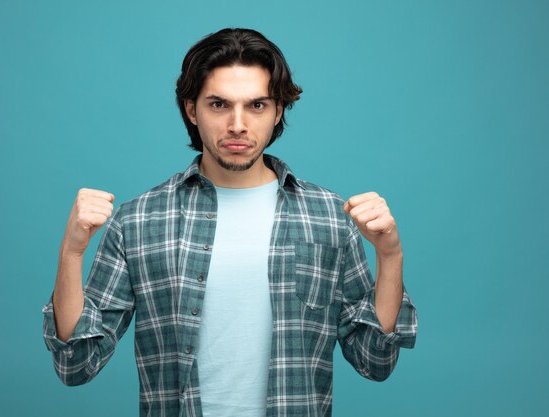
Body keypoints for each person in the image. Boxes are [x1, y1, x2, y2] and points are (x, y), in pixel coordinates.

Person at [42, 28, 417, 417]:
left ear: (278, 112)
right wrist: (71, 252)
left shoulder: (329, 217)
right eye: (219, 105)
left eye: (256, 105)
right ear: (191, 109)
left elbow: (374, 360)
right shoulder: (139, 220)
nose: (238, 124)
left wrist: (390, 255)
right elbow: (76, 364)